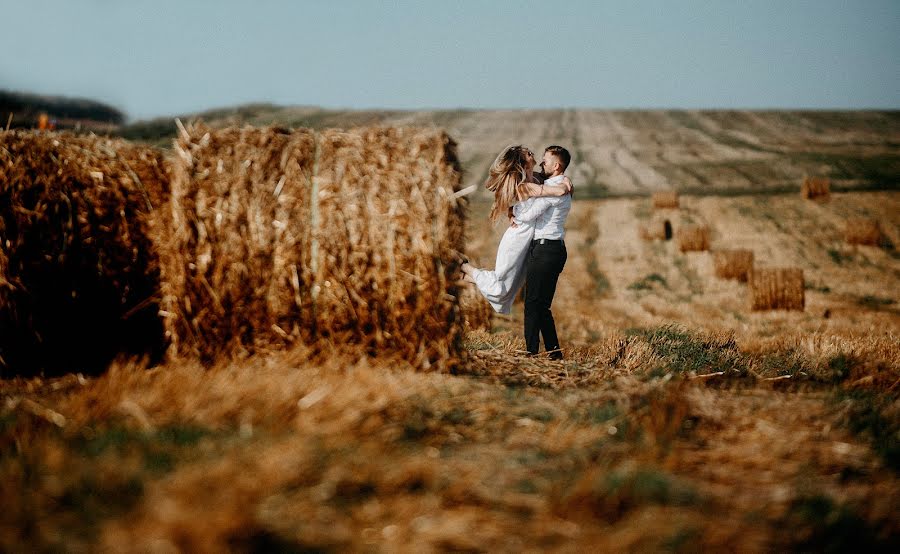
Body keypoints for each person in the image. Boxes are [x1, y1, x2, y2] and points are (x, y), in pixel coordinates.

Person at [461, 145, 571, 315]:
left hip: (529, 239)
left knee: (510, 289)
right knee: (501, 288)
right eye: (528, 154)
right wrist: (565, 185)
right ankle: (466, 268)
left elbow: (553, 181)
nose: (533, 154)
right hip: (518, 237)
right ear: (524, 163)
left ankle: (465, 277)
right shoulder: (525, 186)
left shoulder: (535, 178)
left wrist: (511, 211)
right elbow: (558, 191)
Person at [514, 146, 572, 359]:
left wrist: (514, 211)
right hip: (553, 249)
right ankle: (554, 354)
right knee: (542, 306)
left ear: (556, 166)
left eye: (546, 161)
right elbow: (535, 180)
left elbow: (528, 215)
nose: (541, 163)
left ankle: (530, 354)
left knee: (532, 304)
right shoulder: (554, 184)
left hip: (546, 250)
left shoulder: (554, 192)